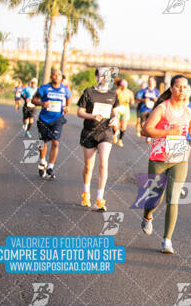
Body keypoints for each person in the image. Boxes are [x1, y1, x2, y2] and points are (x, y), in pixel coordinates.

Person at [140, 74, 191, 254]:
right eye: (179, 86)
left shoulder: (189, 111)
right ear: (172, 88)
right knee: (154, 198)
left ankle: (167, 240)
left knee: (173, 199)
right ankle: (148, 216)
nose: (182, 90)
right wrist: (168, 132)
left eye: (185, 87)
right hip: (159, 158)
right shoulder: (162, 108)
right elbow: (145, 130)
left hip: (179, 159)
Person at [77, 67, 120, 211]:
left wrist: (115, 119)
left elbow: (115, 112)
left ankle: (99, 199)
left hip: (105, 132)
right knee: (89, 167)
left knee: (103, 163)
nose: (105, 78)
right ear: (96, 77)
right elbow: (80, 112)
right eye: (102, 75)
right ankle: (86, 193)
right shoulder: (89, 92)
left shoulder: (113, 94)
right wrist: (92, 116)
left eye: (107, 75)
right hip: (89, 132)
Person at [32, 68, 72, 180]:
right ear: (51, 77)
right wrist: (42, 103)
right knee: (42, 142)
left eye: (59, 75)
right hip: (44, 119)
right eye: (54, 75)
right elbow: (33, 100)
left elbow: (69, 97)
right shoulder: (44, 88)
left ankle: (50, 167)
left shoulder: (64, 89)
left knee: (55, 142)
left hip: (57, 119)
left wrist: (67, 107)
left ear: (61, 77)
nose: (57, 77)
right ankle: (42, 161)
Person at [137, 77, 160, 142]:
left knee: (150, 124)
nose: (151, 82)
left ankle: (148, 137)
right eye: (149, 81)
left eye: (152, 81)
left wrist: (156, 100)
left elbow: (160, 100)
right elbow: (138, 98)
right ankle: (146, 133)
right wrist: (143, 100)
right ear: (148, 82)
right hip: (143, 109)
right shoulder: (144, 90)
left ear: (154, 82)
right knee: (143, 125)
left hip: (152, 110)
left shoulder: (156, 91)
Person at [113, 79, 134, 147]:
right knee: (115, 126)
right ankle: (115, 133)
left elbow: (132, 101)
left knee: (123, 126)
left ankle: (120, 140)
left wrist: (131, 101)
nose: (124, 86)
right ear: (121, 85)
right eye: (123, 85)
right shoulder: (117, 91)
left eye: (125, 85)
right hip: (117, 109)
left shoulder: (129, 92)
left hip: (125, 110)